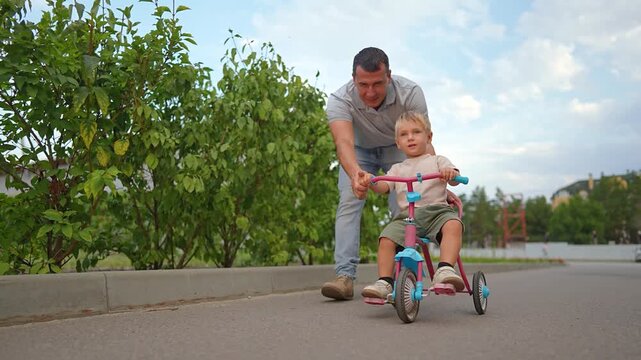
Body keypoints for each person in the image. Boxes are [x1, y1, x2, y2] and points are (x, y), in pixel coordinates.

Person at [320, 47, 460, 300]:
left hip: (399, 147)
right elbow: (343, 144)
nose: (370, 92)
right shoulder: (339, 99)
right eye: (363, 85)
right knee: (350, 201)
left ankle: (405, 278)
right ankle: (344, 277)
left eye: (377, 84)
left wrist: (437, 182)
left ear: (389, 77)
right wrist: (357, 176)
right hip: (359, 151)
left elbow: (423, 140)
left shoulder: (411, 93)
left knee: (406, 207)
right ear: (353, 80)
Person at [357, 111, 465, 299]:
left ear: (429, 137)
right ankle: (385, 282)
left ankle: (445, 269)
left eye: (416, 132)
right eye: (404, 135)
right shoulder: (398, 169)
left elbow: (454, 178)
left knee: (453, 225)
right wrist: (371, 181)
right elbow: (384, 186)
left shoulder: (437, 160)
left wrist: (450, 173)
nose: (411, 138)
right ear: (398, 143)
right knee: (386, 238)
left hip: (437, 213)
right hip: (407, 218)